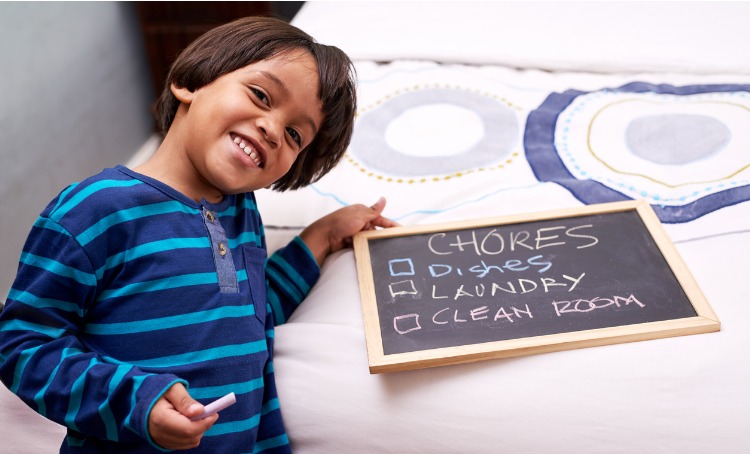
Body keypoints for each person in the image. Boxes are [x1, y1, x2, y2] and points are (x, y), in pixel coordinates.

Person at [0, 16, 397, 453]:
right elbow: (22, 344)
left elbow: (252, 315)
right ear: (191, 82)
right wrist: (137, 402)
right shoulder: (95, 209)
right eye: (261, 95)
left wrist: (321, 238)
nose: (271, 128)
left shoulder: (243, 217)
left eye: (293, 134)